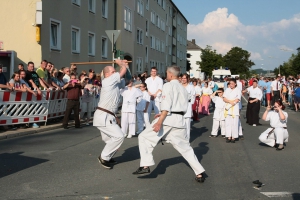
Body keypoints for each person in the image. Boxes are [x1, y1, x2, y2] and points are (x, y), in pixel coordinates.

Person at [132, 66, 206, 183]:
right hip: (180, 120)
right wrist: (162, 114)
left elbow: (166, 105)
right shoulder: (183, 88)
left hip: (169, 119)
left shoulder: (168, 85)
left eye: (167, 73)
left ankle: (145, 165)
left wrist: (160, 121)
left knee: (144, 137)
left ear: (171, 74)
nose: (166, 75)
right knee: (185, 148)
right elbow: (178, 105)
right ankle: (199, 172)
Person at [93, 59, 128, 169]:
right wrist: (121, 64)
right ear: (107, 74)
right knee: (119, 136)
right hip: (103, 115)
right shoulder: (107, 81)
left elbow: (127, 78)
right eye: (113, 72)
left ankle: (108, 156)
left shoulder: (115, 84)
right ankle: (104, 157)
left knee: (110, 140)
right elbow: (122, 72)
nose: (115, 73)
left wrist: (126, 65)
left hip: (109, 115)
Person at [223, 78, 241, 143]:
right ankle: (228, 136)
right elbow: (224, 98)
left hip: (234, 107)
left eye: (232, 84)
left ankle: (233, 137)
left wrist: (233, 102)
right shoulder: (227, 90)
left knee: (234, 123)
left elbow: (238, 99)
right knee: (228, 123)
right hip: (228, 106)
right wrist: (229, 101)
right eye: (230, 83)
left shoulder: (237, 90)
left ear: (235, 84)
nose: (231, 85)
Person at [181, 74, 195, 141]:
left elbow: (193, 96)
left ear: (188, 79)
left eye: (185, 78)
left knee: (187, 124)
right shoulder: (179, 86)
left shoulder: (191, 87)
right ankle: (181, 138)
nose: (183, 79)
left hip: (188, 105)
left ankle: (187, 139)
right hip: (180, 106)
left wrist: (190, 103)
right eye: (182, 78)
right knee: (180, 124)